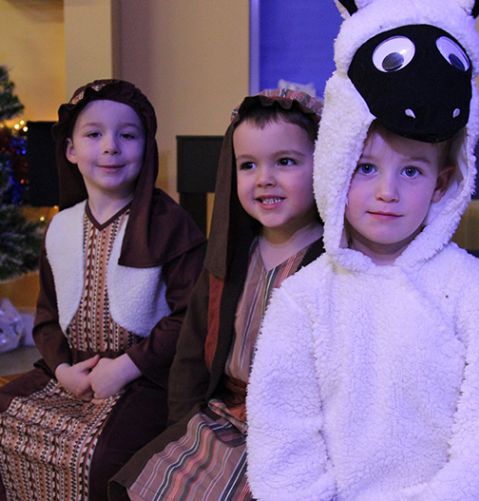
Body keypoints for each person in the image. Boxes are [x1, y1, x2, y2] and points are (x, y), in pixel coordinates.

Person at [247, 1, 479, 500]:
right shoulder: (303, 300)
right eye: (366, 168)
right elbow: (282, 441)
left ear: (442, 183)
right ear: (336, 167)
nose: (388, 192)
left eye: (412, 171)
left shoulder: (478, 292)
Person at [108, 89, 324, 500]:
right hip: (222, 418)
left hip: (295, 433)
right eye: (248, 165)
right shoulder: (228, 260)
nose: (264, 178)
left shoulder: (335, 265)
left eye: (285, 161)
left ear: (323, 167)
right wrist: (180, 427)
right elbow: (190, 357)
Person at [0, 79, 206, 501]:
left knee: (103, 457)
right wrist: (62, 370)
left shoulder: (167, 224)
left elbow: (191, 315)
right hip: (71, 373)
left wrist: (126, 367)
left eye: (127, 136)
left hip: (143, 377)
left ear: (146, 148)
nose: (111, 147)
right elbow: (46, 316)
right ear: (71, 150)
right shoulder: (60, 227)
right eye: (94, 135)